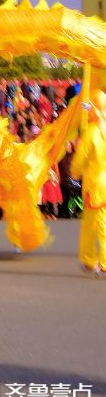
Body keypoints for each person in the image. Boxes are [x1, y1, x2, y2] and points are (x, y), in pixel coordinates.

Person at [72, 89, 106, 276]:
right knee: (103, 223)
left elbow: (80, 158)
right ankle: (103, 262)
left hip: (94, 184)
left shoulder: (93, 132)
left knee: (90, 225)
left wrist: (75, 172)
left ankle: (88, 260)